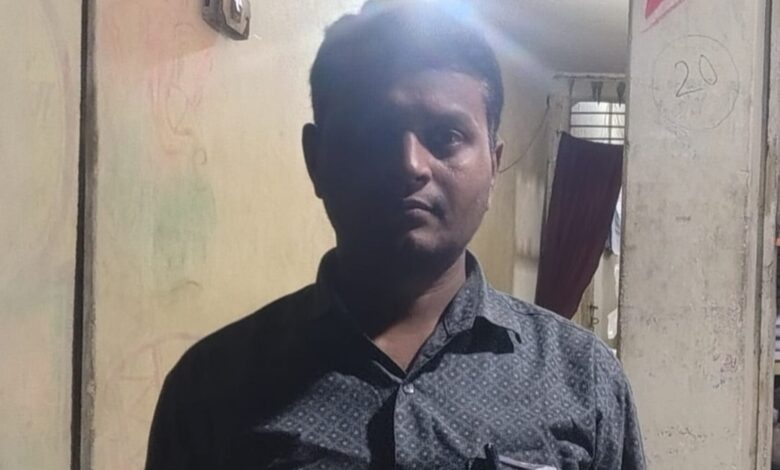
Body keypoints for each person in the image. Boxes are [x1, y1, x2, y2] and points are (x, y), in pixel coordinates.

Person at [145, 2, 645, 469]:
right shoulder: (212, 388)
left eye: (446, 136)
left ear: (494, 165)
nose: (409, 165)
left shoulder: (583, 379)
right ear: (316, 159)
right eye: (372, 133)